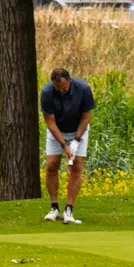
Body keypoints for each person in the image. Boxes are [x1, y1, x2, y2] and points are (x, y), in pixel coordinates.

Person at [40, 67, 95, 224]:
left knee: (76, 166)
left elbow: (86, 117)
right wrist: (64, 145)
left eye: (64, 87)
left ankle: (69, 209)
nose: (62, 91)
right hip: (57, 131)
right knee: (51, 166)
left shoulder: (83, 89)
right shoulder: (47, 92)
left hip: (79, 129)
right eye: (58, 88)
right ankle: (54, 207)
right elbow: (50, 122)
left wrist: (76, 141)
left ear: (69, 81)